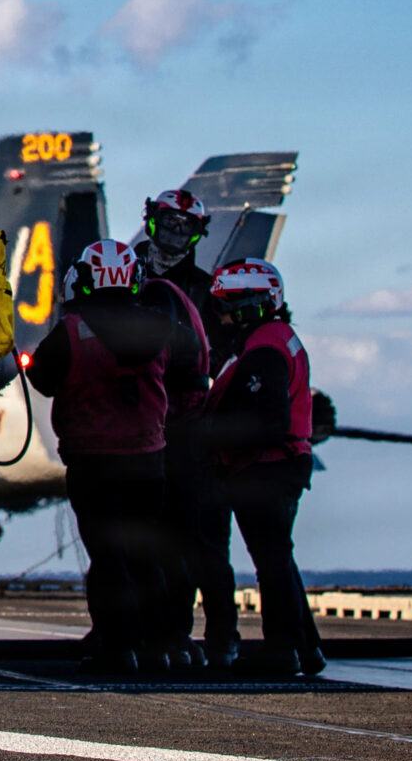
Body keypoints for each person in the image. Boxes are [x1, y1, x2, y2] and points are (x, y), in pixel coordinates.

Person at [26, 240, 207, 675]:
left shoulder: (72, 331)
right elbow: (195, 373)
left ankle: (118, 645)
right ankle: (161, 644)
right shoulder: (162, 326)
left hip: (92, 463)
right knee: (146, 553)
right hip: (149, 459)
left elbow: (42, 379)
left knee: (108, 559)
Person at [201, 258, 325, 678]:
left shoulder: (264, 349)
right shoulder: (279, 337)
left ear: (256, 303)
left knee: (271, 563)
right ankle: (305, 648)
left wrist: (211, 437)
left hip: (265, 470)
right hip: (284, 465)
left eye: (229, 304)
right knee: (279, 560)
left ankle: (282, 650)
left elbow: (265, 420)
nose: (221, 314)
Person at [139, 188, 236, 667]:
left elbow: (224, 353)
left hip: (185, 433)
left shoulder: (206, 289)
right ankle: (129, 632)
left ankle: (197, 636)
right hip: (135, 429)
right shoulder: (120, 273)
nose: (175, 235)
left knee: (192, 540)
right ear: (151, 222)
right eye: (168, 224)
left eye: (186, 227)